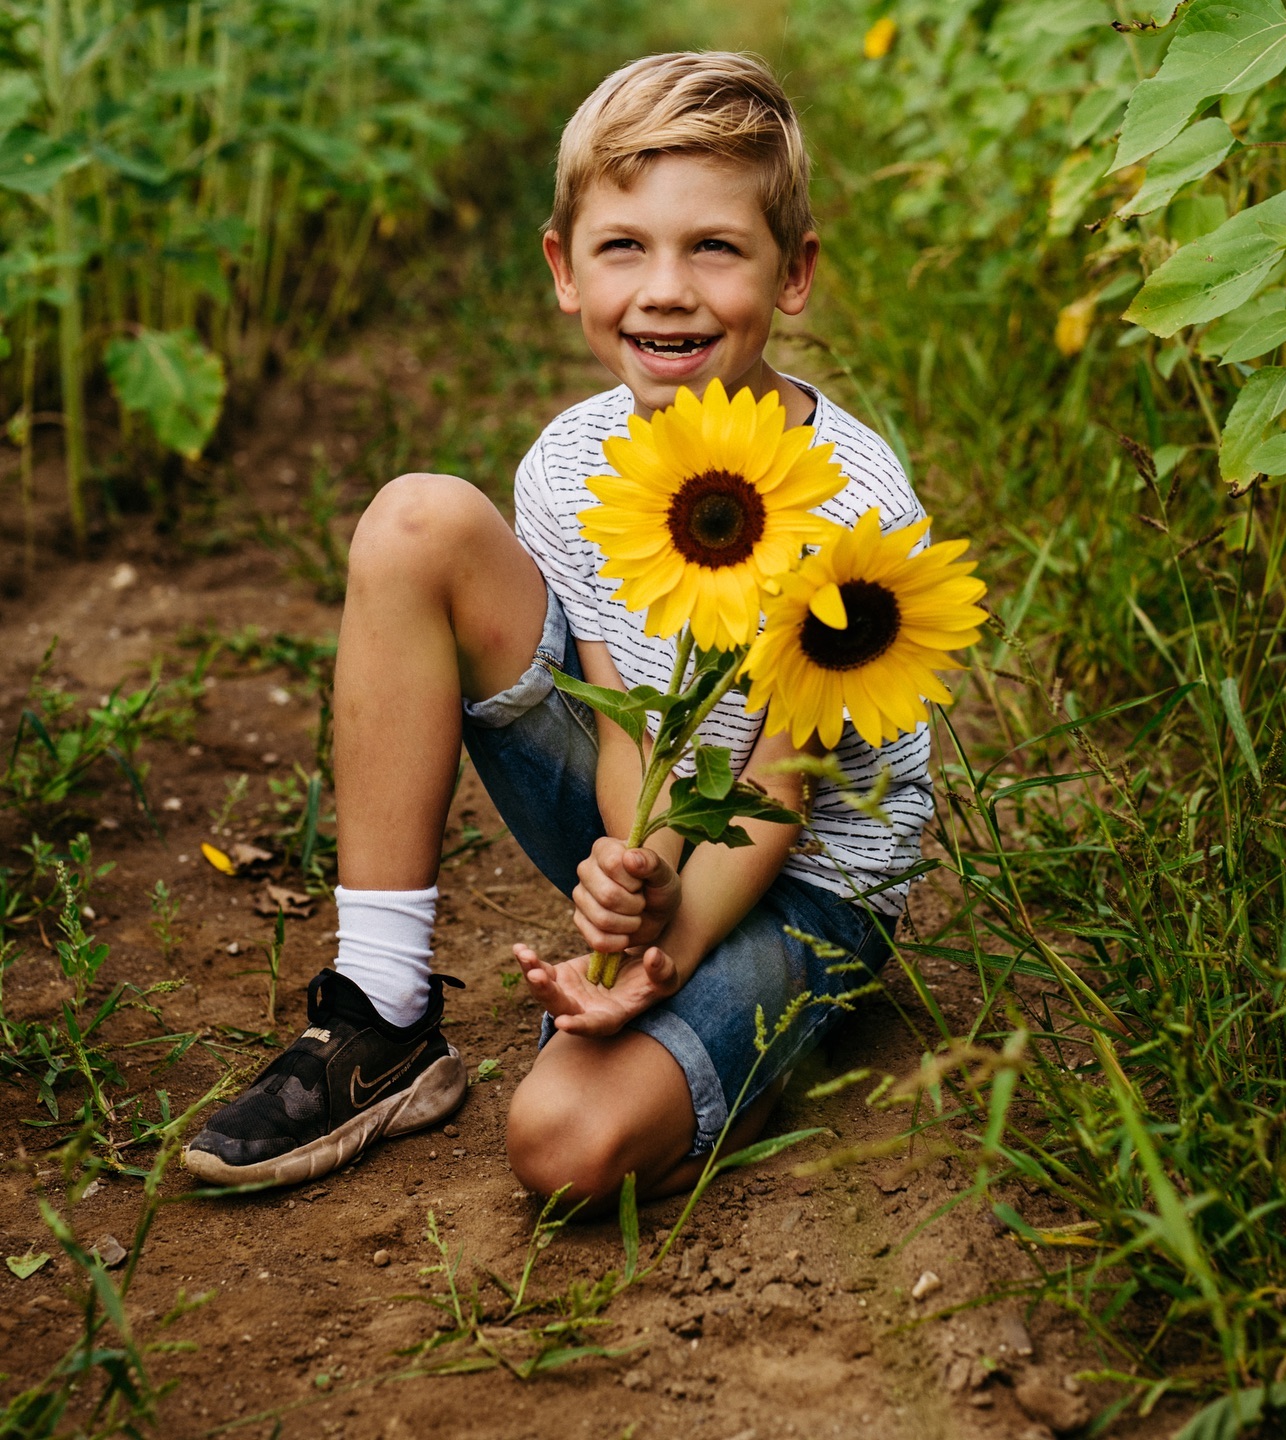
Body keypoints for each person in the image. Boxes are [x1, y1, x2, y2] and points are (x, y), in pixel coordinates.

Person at [183, 51, 932, 1205]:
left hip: (802, 876)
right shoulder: (574, 467)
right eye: (624, 245)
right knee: (415, 523)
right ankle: (382, 1011)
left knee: (564, 1145)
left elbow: (777, 791)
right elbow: (628, 722)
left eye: (715, 247)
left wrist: (657, 952)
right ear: (564, 270)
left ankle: (771, 1009)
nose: (666, 288)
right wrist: (638, 872)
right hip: (663, 808)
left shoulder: (849, 507)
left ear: (795, 273)